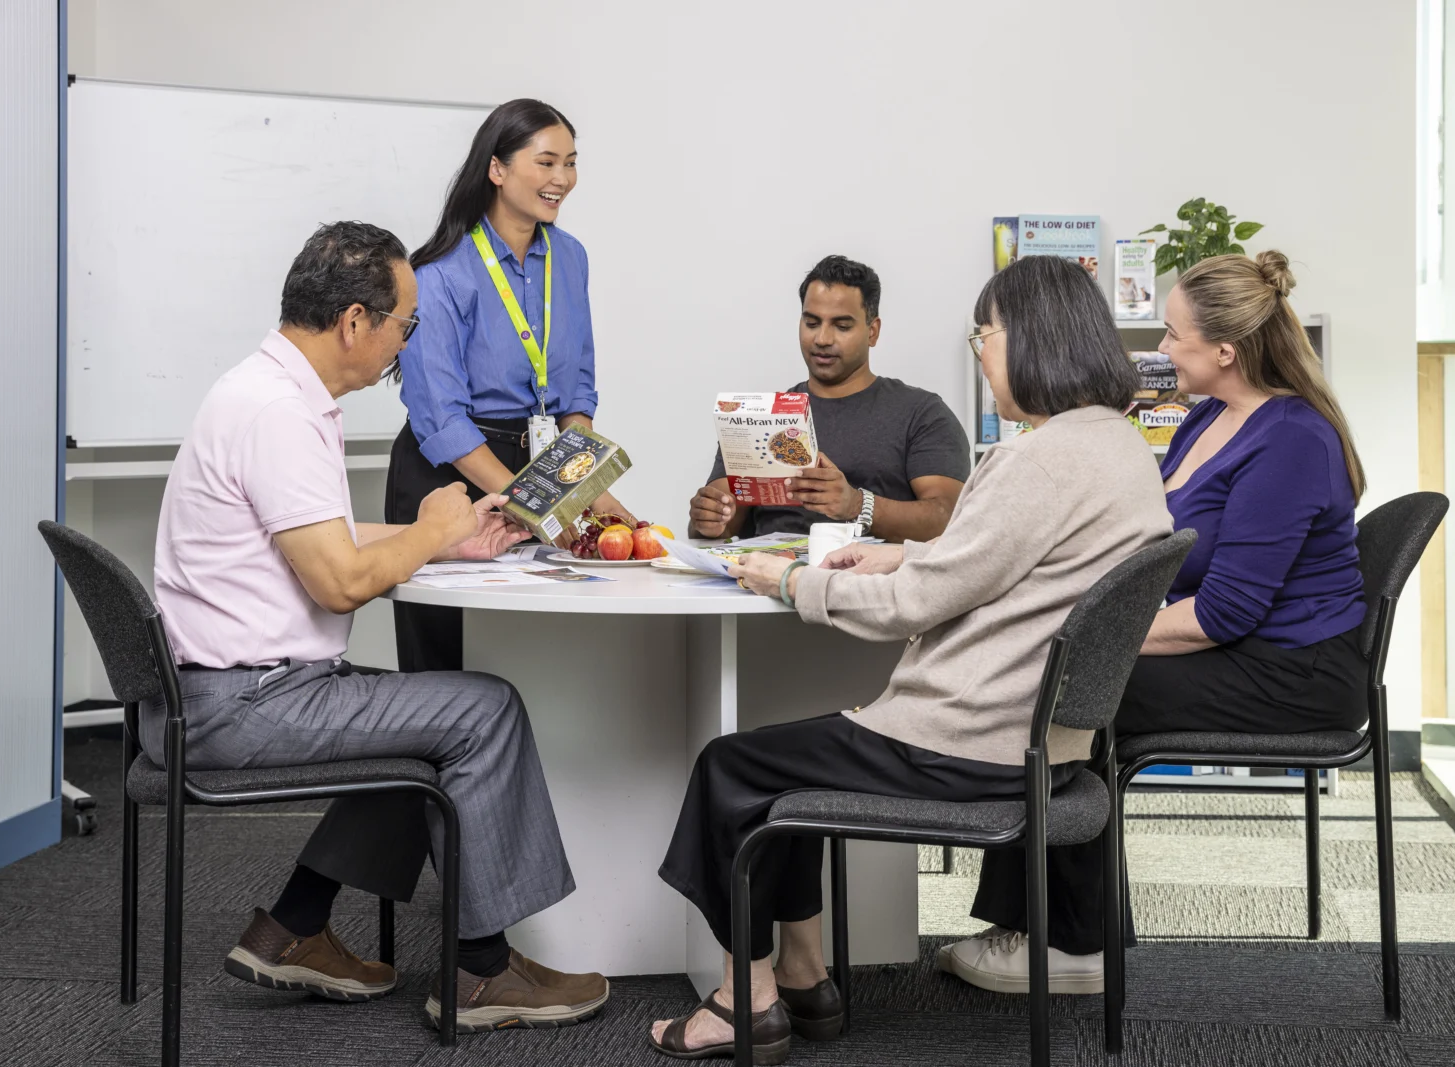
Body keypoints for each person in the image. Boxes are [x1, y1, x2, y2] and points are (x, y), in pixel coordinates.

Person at [648, 255, 1171, 1063]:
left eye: (984, 334)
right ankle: (806, 974)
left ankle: (741, 1001)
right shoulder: (1116, 448)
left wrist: (791, 581)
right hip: (1044, 747)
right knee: (783, 763)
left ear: (1031, 339)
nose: (979, 351)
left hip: (964, 741)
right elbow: (989, 562)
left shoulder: (1038, 459)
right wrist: (889, 557)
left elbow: (915, 608)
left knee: (732, 769)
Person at [147, 221, 609, 1033]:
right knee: (483, 709)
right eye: (406, 324)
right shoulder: (279, 415)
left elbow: (326, 537)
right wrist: (429, 531)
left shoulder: (267, 390)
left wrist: (445, 540)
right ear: (356, 321)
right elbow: (336, 584)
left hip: (220, 692)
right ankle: (482, 971)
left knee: (421, 720)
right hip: (245, 703)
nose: (407, 342)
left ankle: (294, 923)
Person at [947, 251, 1369, 995]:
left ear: (1225, 352)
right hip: (1246, 648)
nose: (1157, 352)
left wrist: (1083, 637)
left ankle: (1072, 942)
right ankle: (1040, 926)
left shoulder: (1293, 441)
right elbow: (1152, 546)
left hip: (1293, 672)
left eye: (1172, 336)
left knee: (1072, 689)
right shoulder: (1208, 415)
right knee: (1061, 681)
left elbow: (1224, 613)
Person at [387, 98, 633, 673]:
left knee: (544, 639)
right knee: (441, 664)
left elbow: (575, 395)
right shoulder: (440, 272)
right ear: (496, 169)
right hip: (451, 474)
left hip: (542, 462)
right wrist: (535, 504)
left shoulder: (570, 259)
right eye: (546, 163)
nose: (562, 180)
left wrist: (591, 492)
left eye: (570, 163)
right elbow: (441, 421)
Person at [687, 255, 970, 543]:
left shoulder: (922, 414)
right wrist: (708, 518)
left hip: (869, 583)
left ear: (872, 332)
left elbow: (948, 518)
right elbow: (720, 520)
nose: (822, 338)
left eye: (842, 326)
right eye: (811, 323)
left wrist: (857, 505)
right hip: (765, 579)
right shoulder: (759, 418)